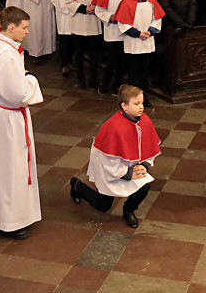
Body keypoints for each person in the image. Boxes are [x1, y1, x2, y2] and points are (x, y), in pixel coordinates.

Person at [0, 7, 43, 240]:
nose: (27, 31)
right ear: (11, 28)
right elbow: (18, 95)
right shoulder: (6, 55)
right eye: (24, 27)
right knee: (11, 169)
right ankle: (10, 222)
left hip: (0, 114)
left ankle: (0, 215)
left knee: (1, 168)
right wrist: (30, 78)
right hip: (9, 119)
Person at [69, 85, 161, 229]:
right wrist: (128, 174)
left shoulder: (144, 120)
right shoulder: (114, 127)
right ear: (124, 106)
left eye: (142, 103)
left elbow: (149, 146)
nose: (141, 107)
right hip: (111, 168)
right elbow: (108, 160)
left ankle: (129, 210)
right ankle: (76, 186)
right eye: (136, 104)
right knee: (103, 205)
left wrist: (143, 166)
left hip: (130, 164)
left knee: (144, 185)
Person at [114, 0, 164, 104]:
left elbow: (157, 19)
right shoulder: (125, 2)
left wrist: (150, 31)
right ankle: (131, 99)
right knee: (132, 74)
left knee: (144, 72)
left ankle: (143, 97)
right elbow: (122, 23)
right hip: (132, 42)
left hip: (147, 42)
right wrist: (137, 33)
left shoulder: (152, 1)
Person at [61, 0, 107, 88]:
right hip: (79, 21)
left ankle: (93, 79)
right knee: (79, 53)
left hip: (94, 22)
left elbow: (104, 0)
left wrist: (96, 8)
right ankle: (80, 79)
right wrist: (83, 8)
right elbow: (68, 2)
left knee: (94, 54)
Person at [92, 0, 131, 96]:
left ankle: (117, 86)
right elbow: (99, 10)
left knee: (123, 61)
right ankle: (105, 85)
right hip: (112, 31)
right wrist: (112, 17)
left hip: (126, 32)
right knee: (112, 60)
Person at [47, 0, 81, 76]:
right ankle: (65, 64)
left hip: (77, 13)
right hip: (64, 13)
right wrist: (66, 1)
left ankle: (75, 63)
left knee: (76, 40)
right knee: (65, 40)